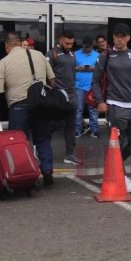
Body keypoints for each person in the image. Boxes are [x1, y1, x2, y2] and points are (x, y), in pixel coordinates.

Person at [0, 32, 56, 186]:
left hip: (19, 105)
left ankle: (24, 175)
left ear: (7, 45)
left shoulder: (4, 62)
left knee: (18, 142)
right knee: (43, 138)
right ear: (20, 42)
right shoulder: (39, 55)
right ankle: (47, 169)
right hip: (41, 105)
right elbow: (52, 80)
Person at [92, 23, 131, 193]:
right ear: (113, 37)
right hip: (115, 105)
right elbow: (95, 80)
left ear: (128, 38)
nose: (119, 39)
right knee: (119, 142)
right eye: (116, 36)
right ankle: (119, 174)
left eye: (123, 36)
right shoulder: (105, 56)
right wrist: (100, 101)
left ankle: (114, 168)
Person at [46, 31, 80, 165]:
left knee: (71, 126)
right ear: (60, 40)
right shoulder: (52, 53)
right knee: (53, 124)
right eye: (67, 43)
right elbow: (46, 73)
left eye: (72, 43)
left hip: (71, 95)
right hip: (58, 95)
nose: (69, 46)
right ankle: (42, 147)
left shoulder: (72, 54)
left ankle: (70, 154)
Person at [74, 36, 100, 139]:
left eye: (89, 47)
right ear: (82, 45)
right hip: (78, 86)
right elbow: (70, 68)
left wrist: (94, 69)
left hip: (92, 86)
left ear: (92, 46)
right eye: (85, 47)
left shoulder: (97, 55)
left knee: (93, 110)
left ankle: (95, 131)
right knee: (78, 110)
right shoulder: (75, 54)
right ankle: (77, 130)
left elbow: (101, 70)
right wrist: (78, 68)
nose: (87, 49)